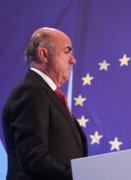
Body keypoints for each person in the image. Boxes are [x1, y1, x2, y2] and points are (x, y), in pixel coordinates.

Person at [2, 27, 88, 180]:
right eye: (67, 51)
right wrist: (80, 175)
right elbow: (35, 158)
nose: (73, 60)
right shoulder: (30, 92)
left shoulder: (46, 93)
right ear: (43, 55)